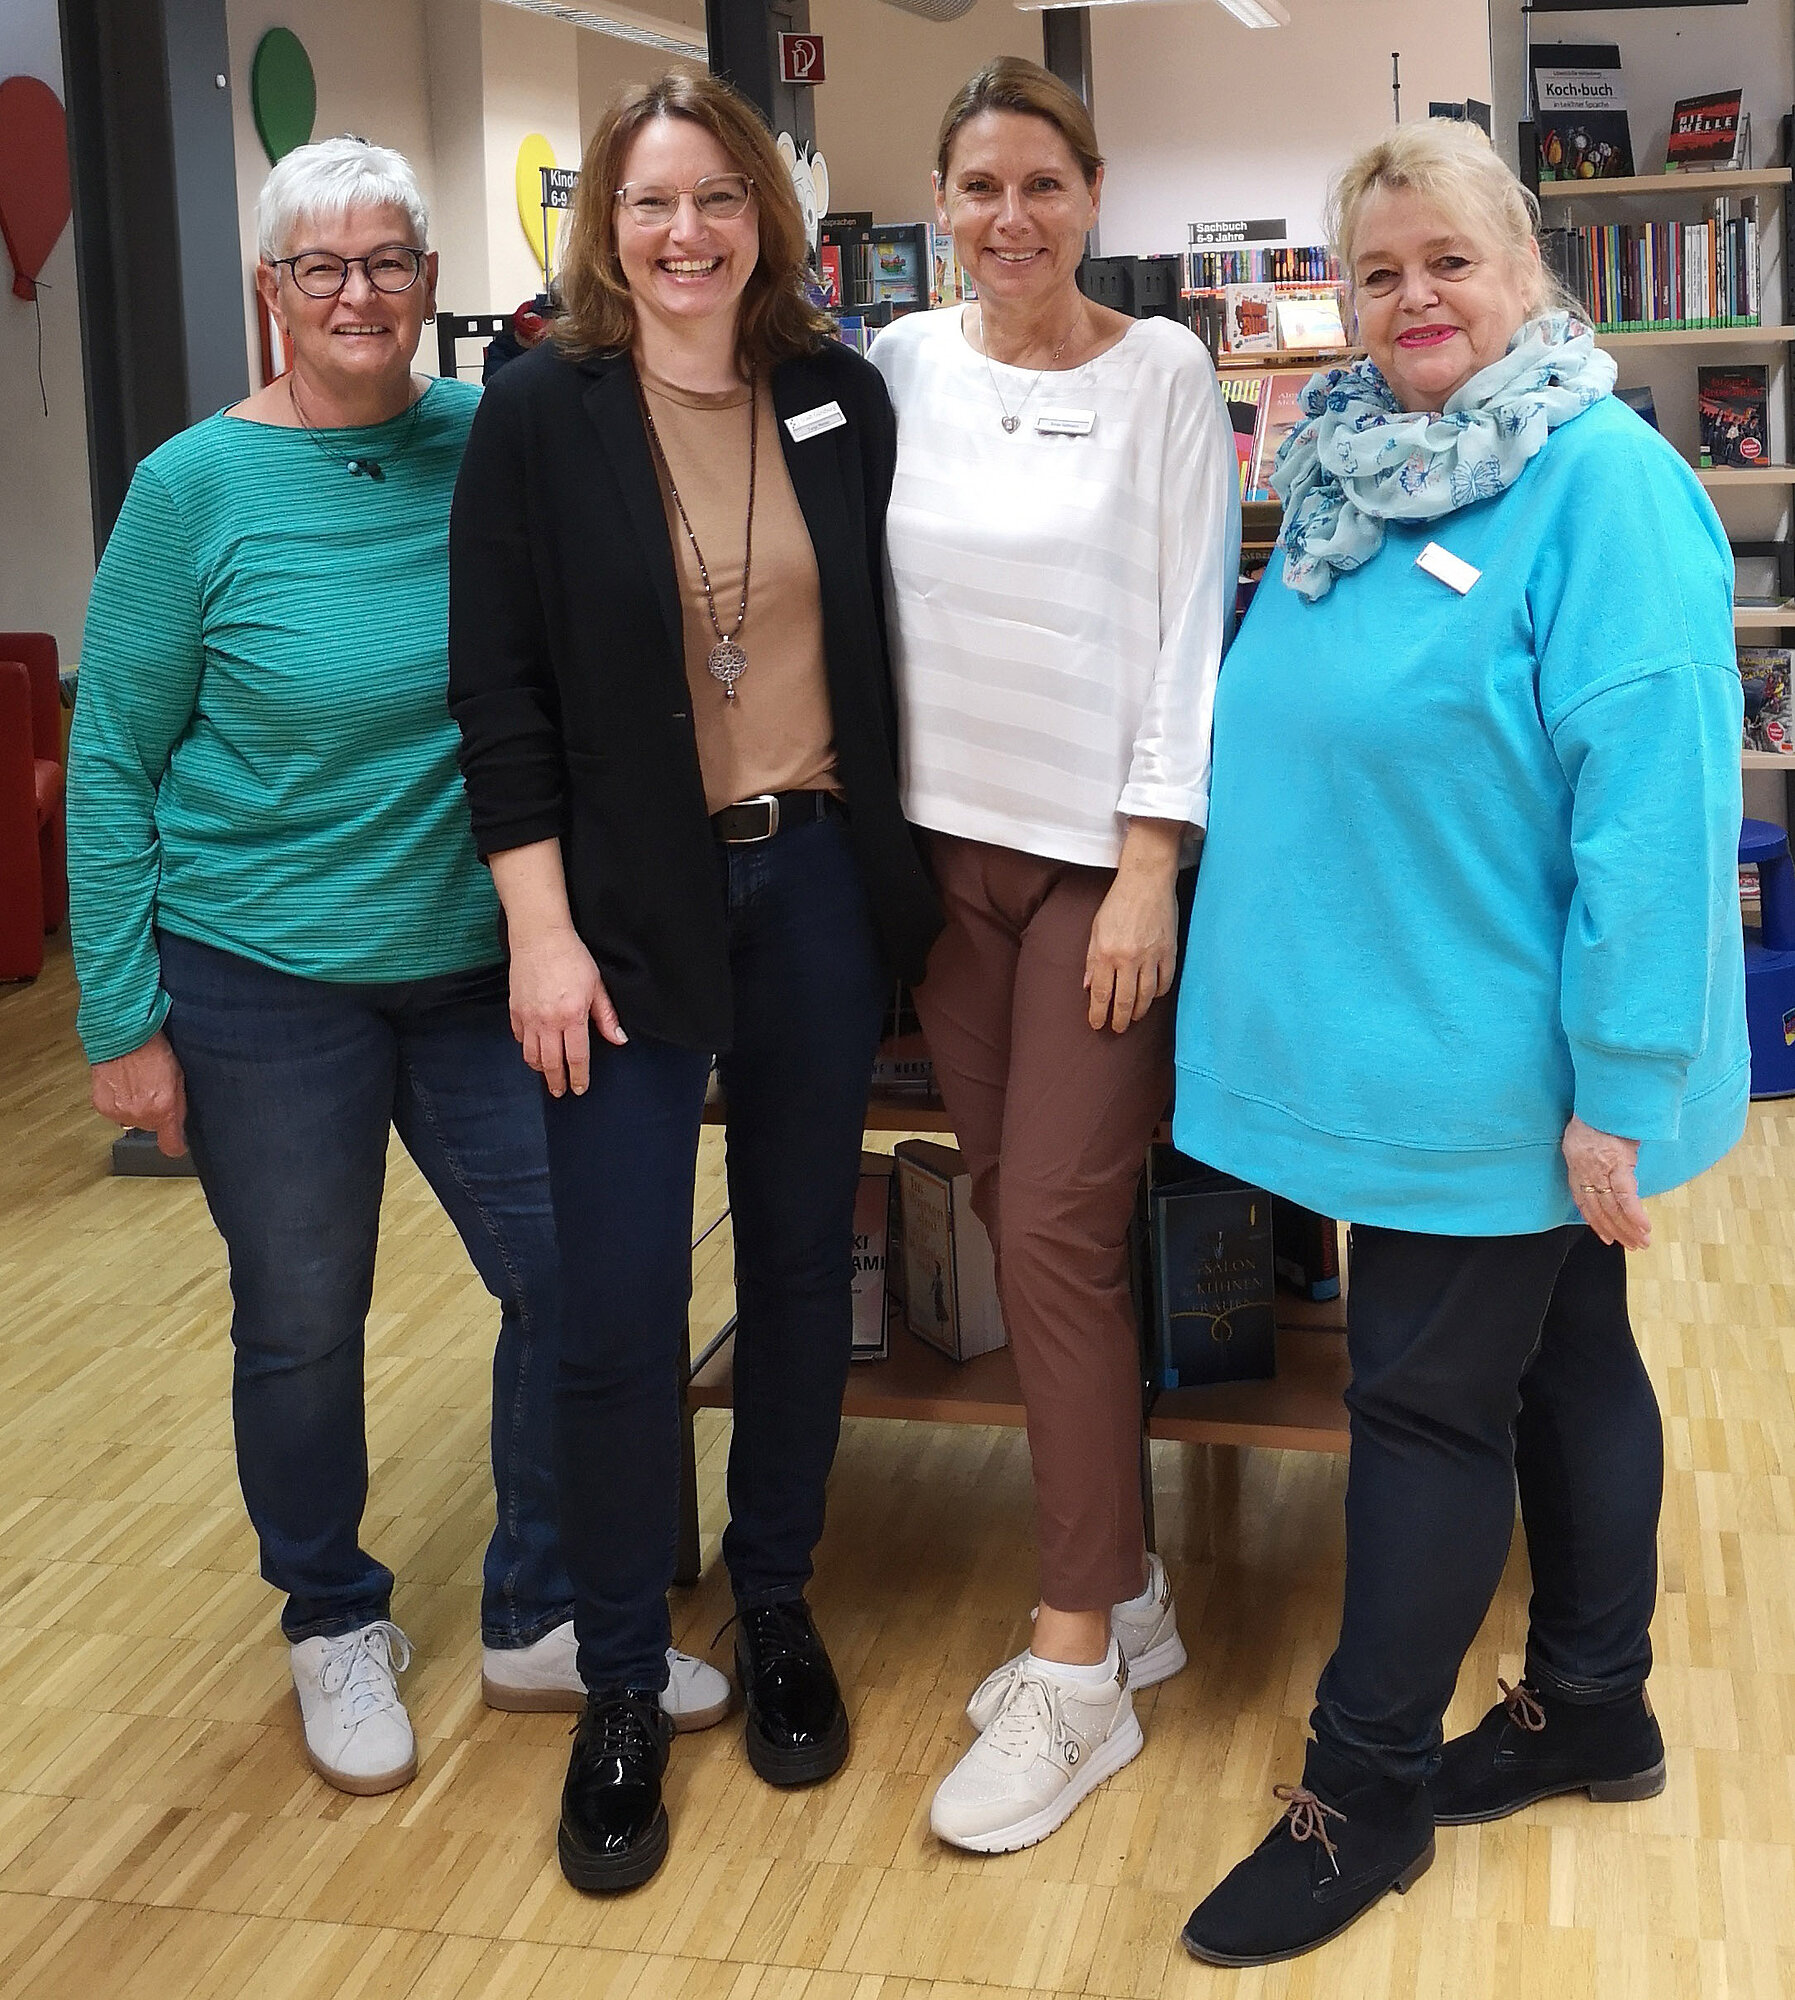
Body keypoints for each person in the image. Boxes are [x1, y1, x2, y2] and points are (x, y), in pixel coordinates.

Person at [64, 135, 729, 1800]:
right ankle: (331, 1616)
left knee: (575, 1277)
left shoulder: (496, 439)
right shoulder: (190, 490)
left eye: (387, 263)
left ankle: (543, 1612)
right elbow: (115, 762)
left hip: (489, 966)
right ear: (273, 294)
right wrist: (121, 1017)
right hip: (259, 973)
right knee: (300, 1318)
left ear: (434, 285)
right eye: (320, 269)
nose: (357, 295)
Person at [1173, 119, 1746, 1966]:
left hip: (1495, 1068)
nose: (1414, 298)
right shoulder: (1354, 465)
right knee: (1570, 1360)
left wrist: (1616, 1090)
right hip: (1390, 1036)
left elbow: (1652, 810)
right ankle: (1594, 1706)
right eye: (1380, 268)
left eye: (1451, 262)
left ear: (1529, 276)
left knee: (1420, 1408)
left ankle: (1371, 1792)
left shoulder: (1602, 485)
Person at [447, 73, 940, 1894]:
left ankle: (783, 1601)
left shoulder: (838, 395)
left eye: (715, 201)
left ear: (765, 217)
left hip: (811, 881)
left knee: (808, 1256)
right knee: (618, 1289)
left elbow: (896, 635)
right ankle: (619, 1682)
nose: (684, 235)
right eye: (651, 205)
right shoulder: (538, 416)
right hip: (620, 916)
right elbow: (497, 696)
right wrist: (540, 928)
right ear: (608, 228)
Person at [870, 57, 1239, 1856]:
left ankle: (1078, 1665)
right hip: (947, 868)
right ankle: (1139, 1590)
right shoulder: (899, 370)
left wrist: (1157, 862)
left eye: (1041, 183)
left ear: (1093, 193)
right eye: (977, 186)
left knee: (1052, 1235)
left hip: (1098, 874)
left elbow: (1192, 623)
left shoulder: (1166, 371)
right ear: (939, 201)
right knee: (1025, 1224)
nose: (1008, 217)